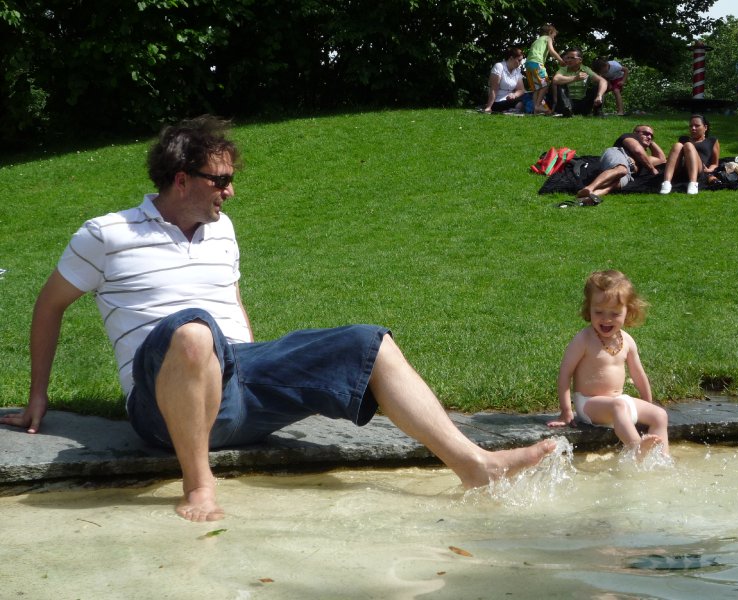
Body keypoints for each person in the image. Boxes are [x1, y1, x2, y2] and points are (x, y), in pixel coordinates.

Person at [0, 116, 556, 522]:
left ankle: (474, 464)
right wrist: (37, 397)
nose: (230, 190)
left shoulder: (223, 230)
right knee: (192, 329)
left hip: (237, 379)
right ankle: (199, 487)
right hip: (162, 404)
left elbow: (233, 301)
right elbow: (49, 305)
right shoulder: (106, 234)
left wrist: (255, 363)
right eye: (220, 180)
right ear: (181, 179)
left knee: (367, 341)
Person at [548, 270, 669, 458]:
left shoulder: (627, 341)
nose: (606, 319)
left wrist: (647, 404)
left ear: (628, 311)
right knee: (618, 406)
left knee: (659, 415)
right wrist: (566, 411)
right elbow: (565, 373)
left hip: (619, 401)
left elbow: (638, 375)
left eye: (615, 313)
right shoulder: (584, 340)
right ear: (589, 309)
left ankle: (662, 459)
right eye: (599, 312)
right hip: (589, 404)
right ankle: (637, 449)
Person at [575, 125, 666, 203]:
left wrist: (650, 141)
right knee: (621, 170)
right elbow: (637, 151)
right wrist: (652, 169)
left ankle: (585, 198)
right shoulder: (628, 137)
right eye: (645, 133)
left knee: (612, 186)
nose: (649, 136)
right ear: (635, 133)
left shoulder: (645, 159)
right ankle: (589, 188)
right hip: (619, 154)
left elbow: (661, 159)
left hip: (629, 173)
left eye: (651, 135)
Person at [660, 114, 720, 195]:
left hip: (700, 169)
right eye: (691, 126)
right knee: (677, 145)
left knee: (688, 145)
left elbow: (715, 163)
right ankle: (666, 183)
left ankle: (693, 183)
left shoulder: (712, 141)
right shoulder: (683, 139)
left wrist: (709, 170)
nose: (693, 128)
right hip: (683, 167)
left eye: (697, 126)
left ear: (705, 127)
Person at [551, 48, 608, 116]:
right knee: (560, 84)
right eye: (568, 58)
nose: (569, 60)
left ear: (580, 60)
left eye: (572, 58)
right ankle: (567, 110)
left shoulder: (586, 69)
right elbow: (555, 80)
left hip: (583, 103)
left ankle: (597, 112)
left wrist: (599, 95)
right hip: (568, 102)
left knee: (598, 86)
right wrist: (575, 78)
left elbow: (603, 81)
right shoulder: (563, 69)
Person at [524, 24, 565, 115]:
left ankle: (535, 110)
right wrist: (560, 60)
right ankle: (538, 105)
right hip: (537, 63)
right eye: (554, 36)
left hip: (528, 64)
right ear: (550, 32)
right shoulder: (548, 38)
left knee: (536, 88)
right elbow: (552, 51)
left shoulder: (537, 40)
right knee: (545, 84)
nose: (553, 39)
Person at [483, 47, 526, 113]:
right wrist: (489, 107)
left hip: (510, 100)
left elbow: (521, 89)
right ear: (511, 58)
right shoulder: (499, 66)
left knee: (521, 103)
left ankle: (510, 111)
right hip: (497, 100)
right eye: (519, 60)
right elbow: (494, 89)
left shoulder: (517, 71)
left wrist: (514, 95)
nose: (520, 63)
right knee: (518, 105)